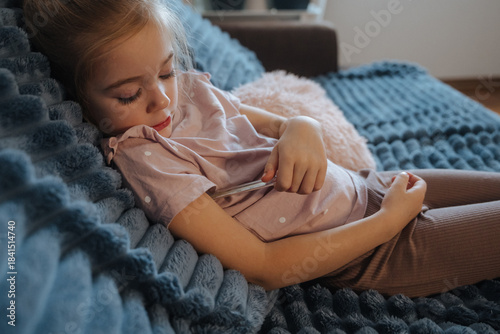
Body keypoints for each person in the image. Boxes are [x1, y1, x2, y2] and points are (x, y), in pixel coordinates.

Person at [23, 0, 500, 298]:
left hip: (369, 186)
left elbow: (284, 123)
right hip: (377, 249)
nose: (162, 99)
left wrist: (304, 128)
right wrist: (389, 222)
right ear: (78, 96)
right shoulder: (146, 157)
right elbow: (264, 268)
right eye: (128, 95)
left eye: (166, 71)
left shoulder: (188, 90)